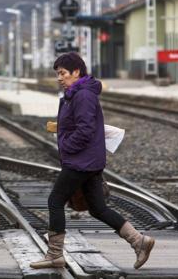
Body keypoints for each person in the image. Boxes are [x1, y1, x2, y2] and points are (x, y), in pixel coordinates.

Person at [30, 52, 155, 270]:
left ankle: (54, 255)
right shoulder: (77, 93)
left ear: (76, 72)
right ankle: (139, 241)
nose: (60, 78)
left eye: (63, 73)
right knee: (98, 208)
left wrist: (66, 145)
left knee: (55, 200)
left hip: (81, 161)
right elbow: (82, 125)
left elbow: (86, 129)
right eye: (58, 74)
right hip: (88, 159)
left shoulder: (83, 95)